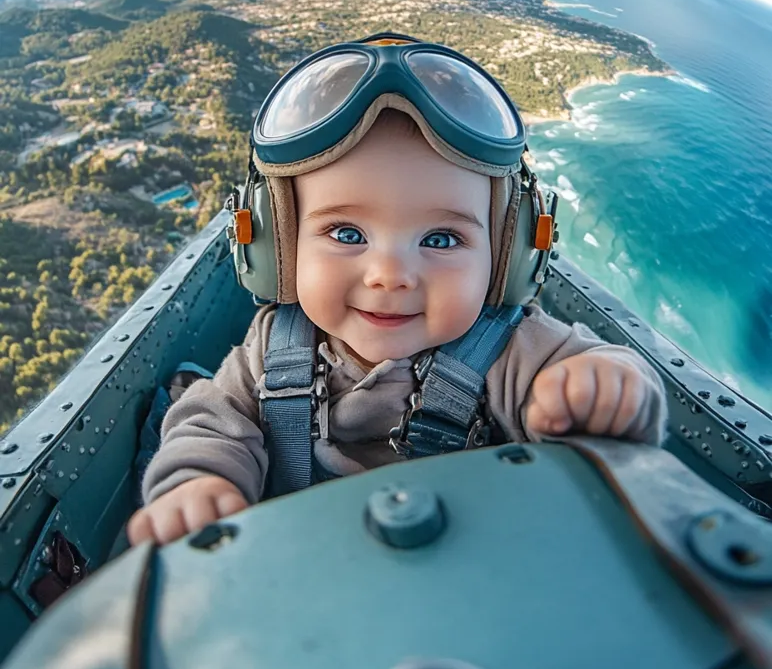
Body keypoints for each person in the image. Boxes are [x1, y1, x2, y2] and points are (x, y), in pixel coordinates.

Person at [128, 32, 667, 547]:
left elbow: (590, 367)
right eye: (347, 234)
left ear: (507, 259)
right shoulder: (271, 348)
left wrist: (600, 387)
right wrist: (200, 483)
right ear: (279, 248)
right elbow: (212, 420)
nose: (390, 274)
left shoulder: (513, 351)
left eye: (440, 238)